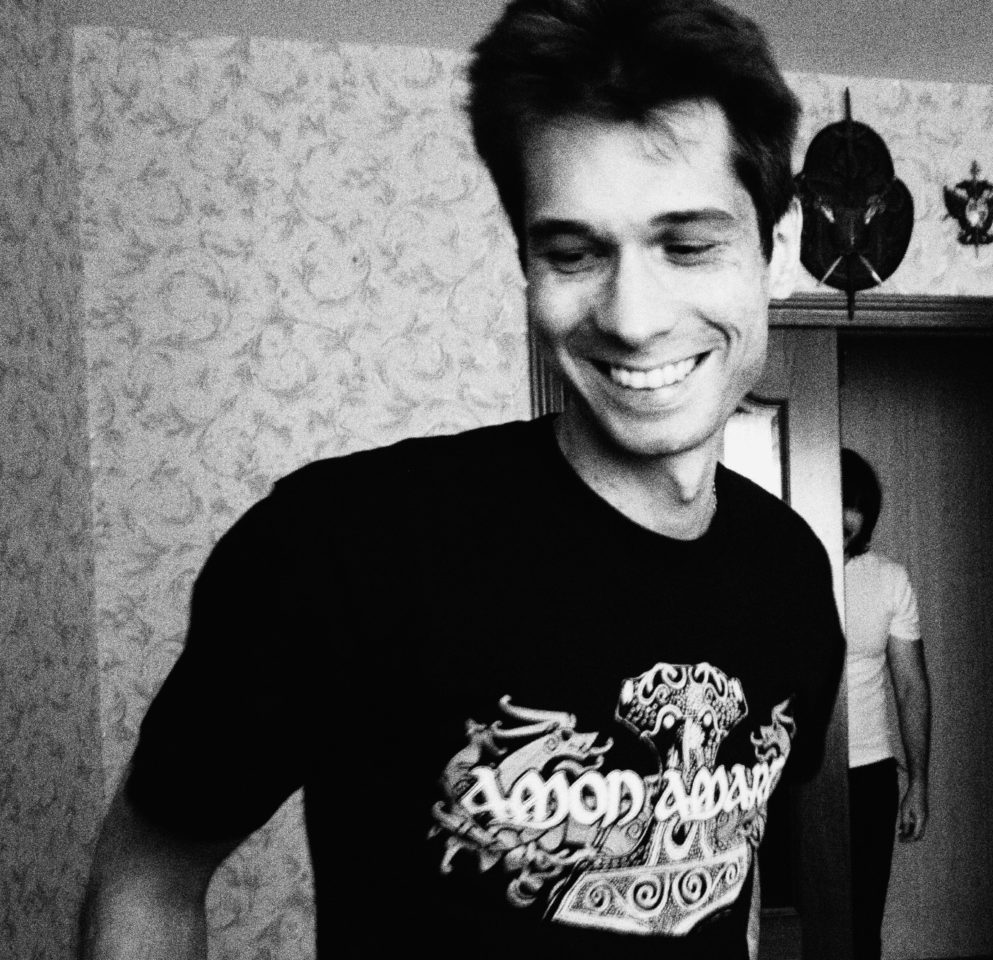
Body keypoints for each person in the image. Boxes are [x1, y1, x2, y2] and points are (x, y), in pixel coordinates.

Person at [77, 1, 846, 958]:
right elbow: (148, 876)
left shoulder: (791, 570)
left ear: (779, 247)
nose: (633, 317)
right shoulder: (341, 546)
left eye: (688, 245)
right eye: (573, 254)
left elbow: (727, 883)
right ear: (526, 260)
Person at [840, 447, 931, 960]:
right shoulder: (780, 570)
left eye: (853, 507)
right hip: (793, 775)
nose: (843, 517)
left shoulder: (889, 579)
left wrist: (918, 782)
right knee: (799, 926)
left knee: (862, 927)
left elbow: (911, 687)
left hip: (869, 774)